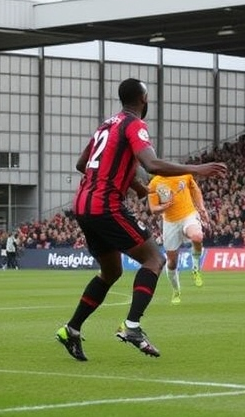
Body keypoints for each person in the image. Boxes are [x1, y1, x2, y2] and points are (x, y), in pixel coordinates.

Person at [56, 78, 227, 362]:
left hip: (83, 205)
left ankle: (71, 330)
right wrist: (198, 168)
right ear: (144, 99)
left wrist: (134, 185)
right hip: (105, 205)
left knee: (111, 272)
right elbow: (152, 164)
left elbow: (81, 164)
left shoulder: (106, 125)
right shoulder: (135, 125)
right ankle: (132, 327)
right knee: (154, 260)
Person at [147, 174, 209, 304]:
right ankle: (176, 290)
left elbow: (195, 190)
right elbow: (154, 209)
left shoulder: (184, 174)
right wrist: (164, 206)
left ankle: (196, 267)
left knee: (197, 236)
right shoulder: (154, 183)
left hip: (189, 215)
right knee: (172, 262)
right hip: (170, 223)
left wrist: (202, 208)